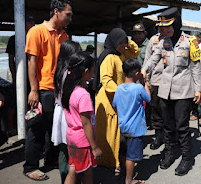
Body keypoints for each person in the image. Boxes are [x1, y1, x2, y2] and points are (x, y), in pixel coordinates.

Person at [142, 7, 201, 176]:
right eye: (161, 27)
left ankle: (186, 158)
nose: (164, 30)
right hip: (164, 91)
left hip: (183, 91)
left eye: (167, 26)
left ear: (176, 24)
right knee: (168, 126)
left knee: (182, 126)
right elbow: (153, 59)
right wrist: (144, 70)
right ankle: (168, 154)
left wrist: (198, 90)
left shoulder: (191, 42)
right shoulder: (163, 42)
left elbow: (195, 68)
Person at [23, 0, 73, 181]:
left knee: (56, 127)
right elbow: (32, 62)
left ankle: (51, 160)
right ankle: (30, 166)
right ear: (56, 12)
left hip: (59, 90)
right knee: (37, 129)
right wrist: (33, 90)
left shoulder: (64, 36)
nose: (69, 19)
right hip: (43, 89)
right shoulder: (37, 31)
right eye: (67, 14)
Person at [94, 28, 140, 172]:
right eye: (120, 43)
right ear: (113, 42)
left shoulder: (121, 54)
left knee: (116, 132)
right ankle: (110, 163)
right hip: (108, 99)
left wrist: (127, 40)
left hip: (119, 97)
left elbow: (136, 51)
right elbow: (106, 80)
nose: (123, 46)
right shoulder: (109, 57)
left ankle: (114, 162)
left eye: (124, 43)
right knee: (110, 132)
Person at [61, 52, 102, 184]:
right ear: (85, 71)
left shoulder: (69, 88)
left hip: (72, 136)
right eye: (93, 71)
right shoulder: (82, 94)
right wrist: (95, 147)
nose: (93, 74)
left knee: (73, 168)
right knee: (86, 173)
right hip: (82, 141)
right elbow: (86, 123)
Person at [113, 58, 150, 184]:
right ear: (136, 73)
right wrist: (145, 82)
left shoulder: (119, 88)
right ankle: (129, 180)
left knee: (123, 153)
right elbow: (148, 98)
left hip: (123, 127)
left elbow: (115, 104)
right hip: (135, 128)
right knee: (131, 157)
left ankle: (123, 175)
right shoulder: (139, 88)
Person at [51, 40, 82, 183]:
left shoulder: (59, 70)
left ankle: (65, 178)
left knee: (63, 150)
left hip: (60, 112)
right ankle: (70, 178)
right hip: (69, 113)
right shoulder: (69, 74)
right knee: (72, 150)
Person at [143, 30, 166, 150]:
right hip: (156, 80)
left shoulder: (178, 38)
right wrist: (146, 79)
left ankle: (170, 138)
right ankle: (158, 136)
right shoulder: (153, 40)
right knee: (155, 109)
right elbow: (148, 60)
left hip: (171, 81)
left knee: (169, 111)